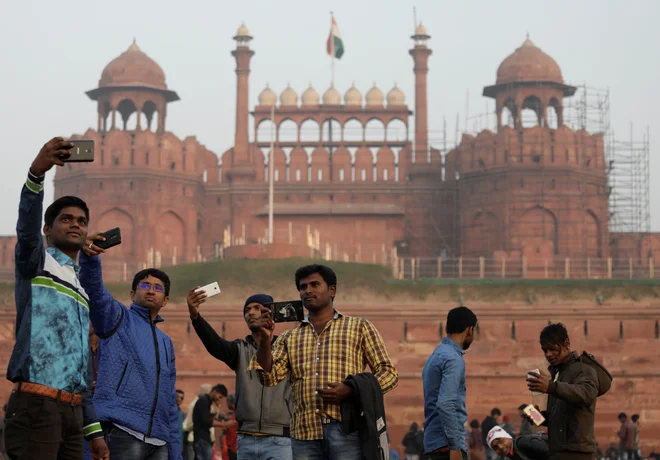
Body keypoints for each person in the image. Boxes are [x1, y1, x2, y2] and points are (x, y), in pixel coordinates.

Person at [4, 137, 107, 460]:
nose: (75, 224)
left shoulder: (78, 287)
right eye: (66, 219)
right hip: (37, 406)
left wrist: (94, 431)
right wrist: (36, 175)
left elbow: (79, 366)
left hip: (73, 415)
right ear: (48, 229)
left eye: (81, 221)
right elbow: (27, 227)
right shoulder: (36, 263)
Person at [249, 264, 398, 460]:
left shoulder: (359, 327)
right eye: (303, 287)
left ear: (332, 290)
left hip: (347, 430)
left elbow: (389, 373)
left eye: (315, 284)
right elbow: (269, 378)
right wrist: (266, 340)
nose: (308, 290)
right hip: (304, 434)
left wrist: (352, 389)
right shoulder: (289, 337)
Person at [79, 239, 182, 460]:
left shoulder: (166, 343)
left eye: (158, 288)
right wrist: (89, 260)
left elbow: (169, 399)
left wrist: (175, 452)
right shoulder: (117, 319)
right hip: (122, 430)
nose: (151, 291)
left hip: (159, 441)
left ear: (165, 300)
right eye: (144, 286)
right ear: (132, 294)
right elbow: (96, 294)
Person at [188, 290, 293, 459]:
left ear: (270, 313)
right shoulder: (240, 350)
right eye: (247, 310)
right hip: (246, 439)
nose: (250, 313)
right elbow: (214, 344)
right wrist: (195, 316)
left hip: (280, 439)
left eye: (257, 308)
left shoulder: (287, 349)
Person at [527, 323, 598, 460]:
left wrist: (550, 387)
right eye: (545, 350)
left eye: (552, 349)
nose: (548, 354)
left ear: (567, 343)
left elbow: (587, 394)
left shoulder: (583, 369)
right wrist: (537, 418)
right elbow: (560, 417)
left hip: (578, 454)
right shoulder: (558, 374)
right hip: (557, 453)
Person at [422, 306, 478, 460]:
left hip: (434, 443)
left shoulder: (436, 354)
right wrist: (455, 447)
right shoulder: (453, 359)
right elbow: (445, 403)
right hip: (447, 447)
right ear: (469, 330)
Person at [192, 384, 234, 460]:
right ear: (215, 391)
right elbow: (206, 421)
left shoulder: (207, 402)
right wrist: (224, 424)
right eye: (219, 396)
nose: (219, 399)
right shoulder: (204, 401)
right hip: (202, 438)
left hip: (203, 438)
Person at [177, 390, 186, 456]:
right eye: (177, 396)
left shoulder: (182, 414)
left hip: (179, 445)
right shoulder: (168, 412)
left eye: (181, 398)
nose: (179, 399)